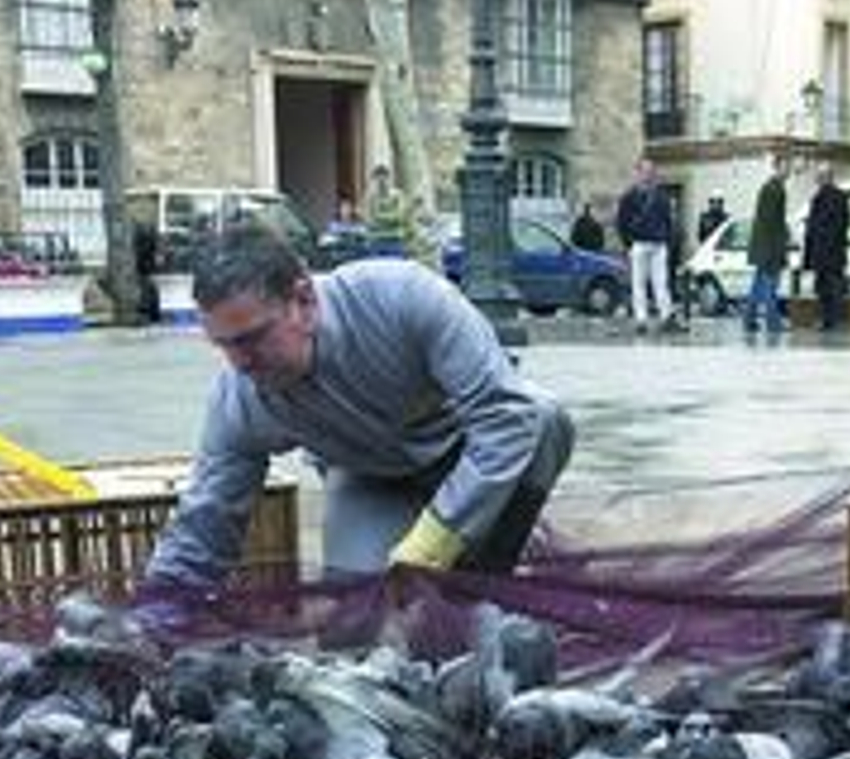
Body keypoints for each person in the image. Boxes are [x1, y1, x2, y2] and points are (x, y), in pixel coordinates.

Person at [139, 223, 575, 593]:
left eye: (252, 338)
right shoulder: (241, 396)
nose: (240, 362)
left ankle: (496, 561)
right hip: (371, 479)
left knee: (544, 419)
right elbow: (206, 520)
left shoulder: (403, 298)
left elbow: (505, 417)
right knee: (359, 626)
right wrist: (156, 612)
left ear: (304, 301)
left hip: (463, 452)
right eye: (224, 345)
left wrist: (437, 537)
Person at [616, 157, 680, 333]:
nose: (648, 175)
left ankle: (666, 316)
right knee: (639, 283)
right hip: (639, 243)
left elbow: (668, 221)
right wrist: (629, 244)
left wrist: (667, 240)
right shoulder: (629, 197)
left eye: (651, 171)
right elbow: (621, 222)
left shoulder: (661, 197)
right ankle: (641, 319)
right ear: (637, 173)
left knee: (661, 282)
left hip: (659, 244)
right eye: (644, 171)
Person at [745, 154, 790, 334]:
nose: (787, 171)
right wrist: (780, 245)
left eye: (788, 167)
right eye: (785, 167)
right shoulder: (774, 189)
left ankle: (749, 319)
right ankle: (773, 322)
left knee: (758, 285)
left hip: (764, 246)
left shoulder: (771, 187)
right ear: (776, 167)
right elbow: (771, 222)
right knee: (770, 285)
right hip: (770, 247)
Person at [802, 164, 850, 330]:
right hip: (834, 252)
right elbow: (844, 223)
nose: (818, 179)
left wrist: (814, 248)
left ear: (826, 177)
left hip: (824, 252)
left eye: (820, 176)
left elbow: (817, 227)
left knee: (826, 288)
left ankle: (829, 320)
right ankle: (832, 319)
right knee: (832, 287)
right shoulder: (840, 197)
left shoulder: (821, 198)